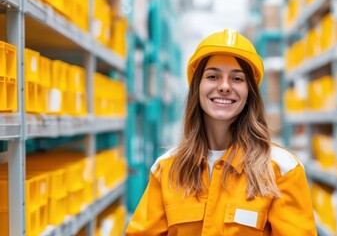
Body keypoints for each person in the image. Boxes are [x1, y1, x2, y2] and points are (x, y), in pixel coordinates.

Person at [126, 29, 317, 236]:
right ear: (198, 87)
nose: (224, 86)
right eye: (213, 76)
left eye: (237, 79)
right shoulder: (167, 169)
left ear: (249, 93)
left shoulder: (281, 169)